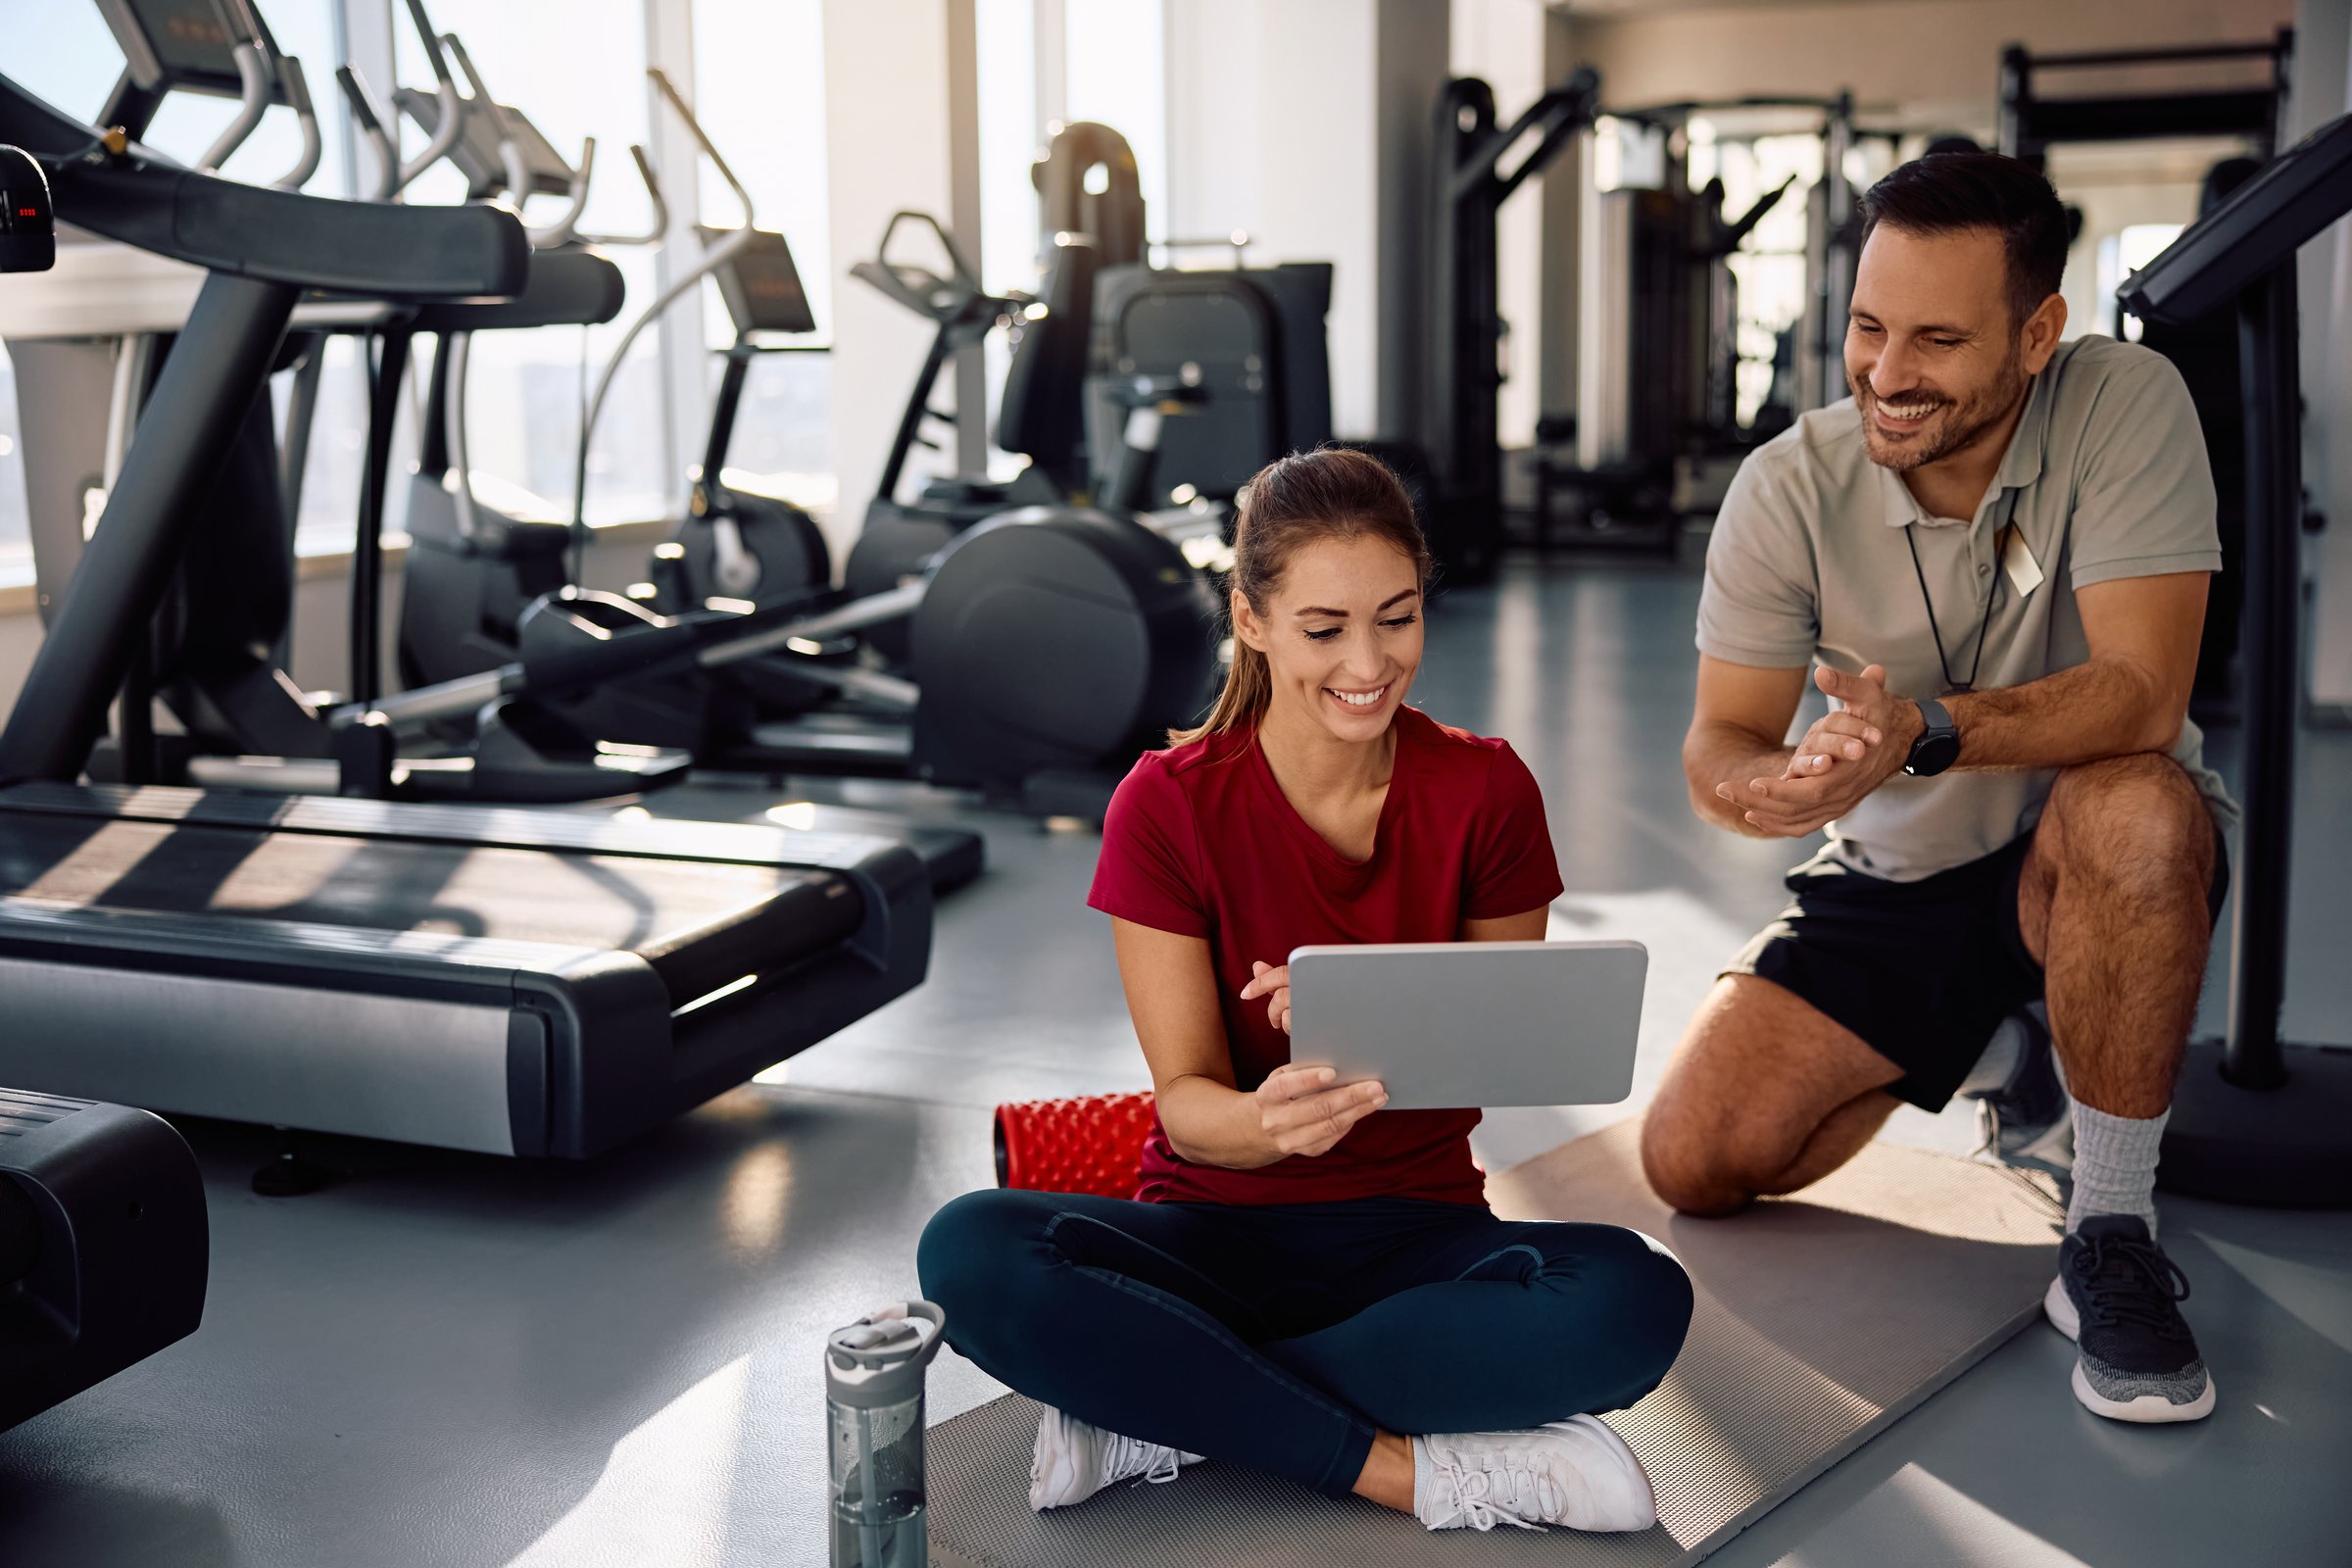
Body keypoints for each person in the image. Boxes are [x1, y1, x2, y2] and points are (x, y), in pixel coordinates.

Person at [920, 448, 1692, 1534]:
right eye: (1325, 629)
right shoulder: (1167, 806)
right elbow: (1187, 1102)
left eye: (1398, 617)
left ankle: (1166, 1402)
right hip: (1212, 1234)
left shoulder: (1488, 790)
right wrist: (1267, 1123)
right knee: (969, 1252)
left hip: (1416, 1238)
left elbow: (1510, 1048)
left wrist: (1382, 1004)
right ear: (1252, 617)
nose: (1369, 663)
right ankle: (1411, 1472)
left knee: (1636, 1298)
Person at [1644, 152, 2233, 1425]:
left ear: (2037, 334)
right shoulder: (1788, 487)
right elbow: (1721, 739)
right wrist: (1781, 787)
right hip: (1906, 873)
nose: (1888, 372)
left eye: (1937, 338)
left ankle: (2111, 1231)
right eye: (1869, 327)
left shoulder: (2127, 403)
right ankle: (2016, 1041)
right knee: (1693, 1160)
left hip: (2087, 856)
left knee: (2131, 803)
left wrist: (1921, 729)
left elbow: (2145, 691)